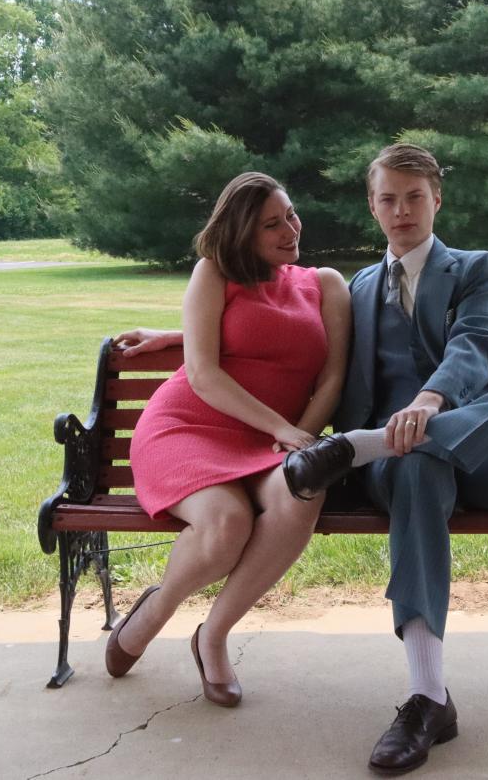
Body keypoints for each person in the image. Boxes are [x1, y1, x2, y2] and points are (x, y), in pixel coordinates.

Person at [282, 144, 488, 774]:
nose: (401, 210)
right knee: (415, 464)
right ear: (372, 206)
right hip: (400, 472)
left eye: (414, 197)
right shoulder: (357, 287)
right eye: (387, 198)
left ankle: (360, 447)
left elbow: (476, 346)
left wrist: (428, 403)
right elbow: (283, 326)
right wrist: (178, 335)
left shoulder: (477, 269)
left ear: (436, 200)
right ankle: (427, 697)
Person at [107, 172, 350, 707]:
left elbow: (332, 375)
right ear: (241, 233)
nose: (289, 229)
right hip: (189, 428)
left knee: (304, 489)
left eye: (290, 213)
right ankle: (158, 607)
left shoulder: (325, 283)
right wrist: (283, 429)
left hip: (271, 441)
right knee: (226, 524)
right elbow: (204, 374)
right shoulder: (214, 272)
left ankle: (212, 636)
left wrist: (299, 434)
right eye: (271, 224)